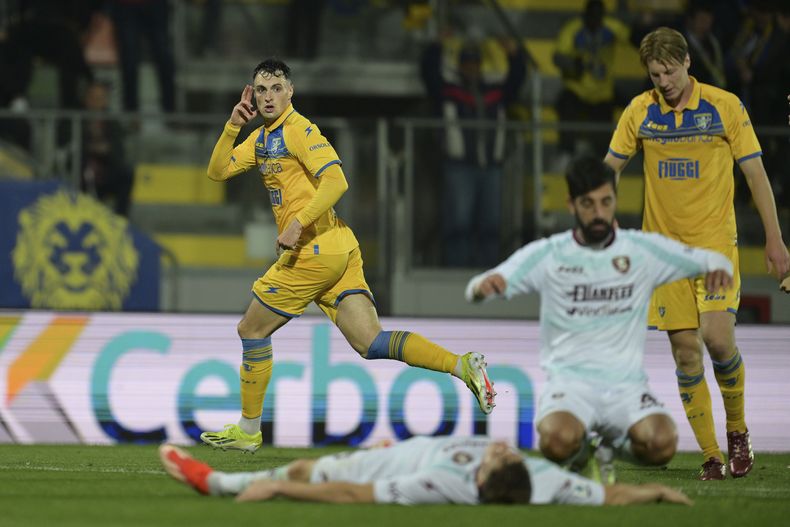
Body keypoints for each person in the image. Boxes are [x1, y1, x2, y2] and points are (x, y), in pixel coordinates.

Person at [199, 58, 495, 453]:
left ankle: (249, 430)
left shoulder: (300, 130)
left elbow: (337, 180)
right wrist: (233, 125)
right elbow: (217, 171)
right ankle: (462, 364)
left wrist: (297, 223)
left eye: (276, 89)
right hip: (338, 248)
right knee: (370, 342)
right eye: (261, 90)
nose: (269, 97)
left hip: (312, 252)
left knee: (251, 330)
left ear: (291, 92)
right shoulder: (261, 137)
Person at [466, 156, 734, 481]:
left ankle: (605, 449)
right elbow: (479, 286)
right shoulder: (549, 254)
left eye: (606, 202)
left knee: (662, 444)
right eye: (588, 204)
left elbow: (707, 258)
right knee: (555, 440)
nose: (598, 213)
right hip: (569, 384)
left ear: (615, 201)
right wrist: (482, 288)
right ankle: (580, 449)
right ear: (571, 205)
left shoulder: (640, 251)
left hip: (626, 388)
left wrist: (720, 266)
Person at [604, 27, 790, 480]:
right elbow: (608, 168)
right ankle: (710, 455)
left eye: (668, 71)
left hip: (713, 246)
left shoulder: (725, 107)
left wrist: (775, 238)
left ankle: (738, 431)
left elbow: (756, 176)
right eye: (654, 74)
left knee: (718, 339)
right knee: (686, 355)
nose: (662, 82)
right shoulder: (640, 111)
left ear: (688, 61)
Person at [159, 435, 692, 505]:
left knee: (303, 468)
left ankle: (216, 482)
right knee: (306, 465)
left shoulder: (441, 486)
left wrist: (276, 488)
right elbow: (613, 496)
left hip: (399, 460)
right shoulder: (545, 480)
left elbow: (355, 494)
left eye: (499, 457)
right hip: (423, 444)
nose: (505, 447)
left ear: (479, 480)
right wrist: (660, 493)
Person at [420, 30, 526, 267]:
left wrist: (514, 55)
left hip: (491, 166)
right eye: (467, 62)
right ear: (460, 65)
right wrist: (436, 48)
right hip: (459, 166)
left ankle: (487, 271)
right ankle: (456, 271)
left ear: (480, 64)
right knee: (458, 224)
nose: (471, 67)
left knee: (490, 225)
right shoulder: (449, 91)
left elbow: (516, 80)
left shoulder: (494, 91)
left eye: (475, 62)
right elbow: (429, 75)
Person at [553, 0, 630, 166]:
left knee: (633, 107)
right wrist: (573, 64)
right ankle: (566, 151)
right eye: (591, 17)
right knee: (565, 102)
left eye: (598, 17)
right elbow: (558, 57)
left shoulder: (611, 27)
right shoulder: (574, 29)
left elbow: (632, 37)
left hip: (603, 92)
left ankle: (605, 163)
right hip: (578, 90)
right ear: (585, 16)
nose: (594, 21)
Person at [81, 81, 134, 217]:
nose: (95, 103)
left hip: (105, 173)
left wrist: (106, 151)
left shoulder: (113, 124)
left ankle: (120, 221)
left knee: (127, 174)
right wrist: (90, 148)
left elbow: (118, 155)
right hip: (81, 175)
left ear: (105, 102)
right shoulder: (76, 121)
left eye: (100, 99)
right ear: (86, 99)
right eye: (93, 98)